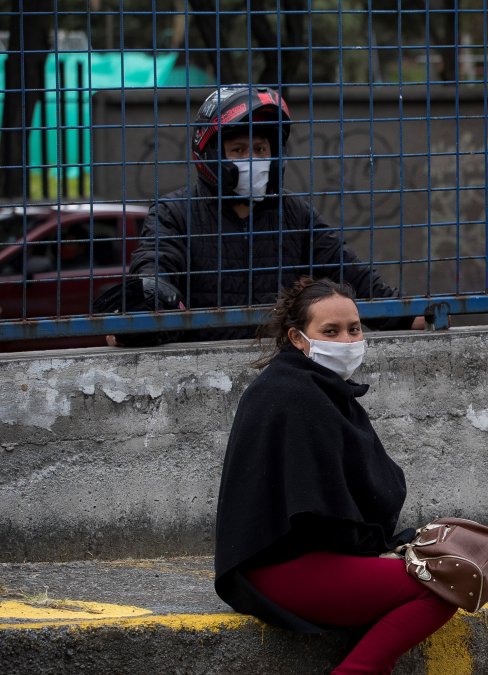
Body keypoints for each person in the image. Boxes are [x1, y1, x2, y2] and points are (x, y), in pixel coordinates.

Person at [214, 277, 456, 673]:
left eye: (354, 329)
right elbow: (315, 514)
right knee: (447, 583)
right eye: (331, 331)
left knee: (444, 562)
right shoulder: (292, 395)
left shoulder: (318, 388)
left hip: (309, 558)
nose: (346, 341)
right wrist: (380, 549)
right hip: (282, 568)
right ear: (297, 337)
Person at [109, 84, 421, 346]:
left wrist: (413, 315)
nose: (252, 160)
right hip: (199, 366)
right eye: (238, 151)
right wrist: (146, 303)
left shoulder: (293, 213)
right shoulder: (174, 213)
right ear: (212, 154)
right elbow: (154, 269)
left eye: (260, 149)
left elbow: (352, 276)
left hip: (277, 365)